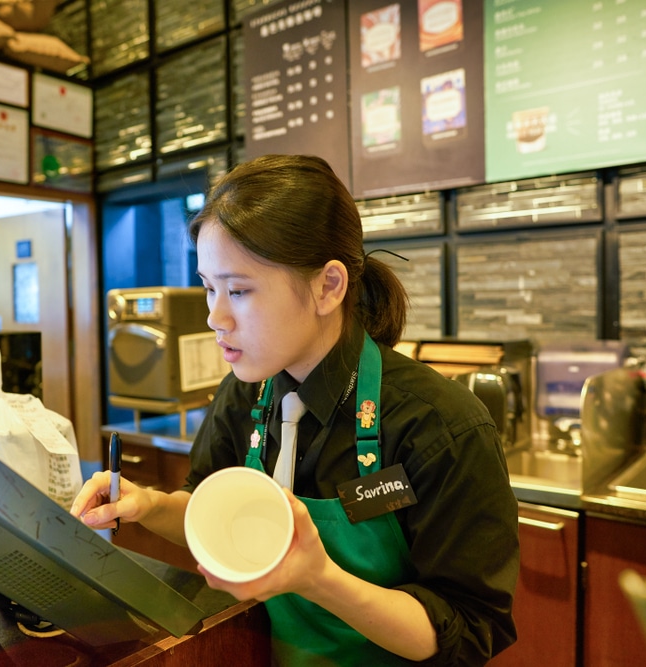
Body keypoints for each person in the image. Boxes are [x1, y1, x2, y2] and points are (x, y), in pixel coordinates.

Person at [72, 154, 519, 665]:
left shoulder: (440, 426)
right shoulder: (244, 394)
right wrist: (148, 505)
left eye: (238, 291)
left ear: (328, 286)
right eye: (208, 287)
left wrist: (319, 579)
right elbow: (209, 509)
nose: (215, 317)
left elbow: (464, 632)